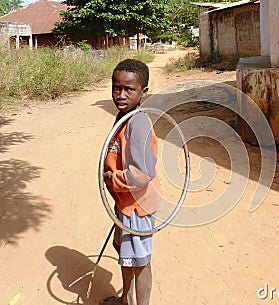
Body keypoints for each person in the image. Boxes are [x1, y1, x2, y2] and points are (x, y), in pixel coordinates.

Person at [101, 59, 161, 305]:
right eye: (116, 87)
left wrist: (112, 179)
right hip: (125, 202)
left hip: (137, 204)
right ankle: (125, 299)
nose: (121, 94)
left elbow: (142, 172)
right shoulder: (124, 115)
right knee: (126, 255)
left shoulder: (138, 122)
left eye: (129, 89)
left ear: (143, 91)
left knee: (140, 259)